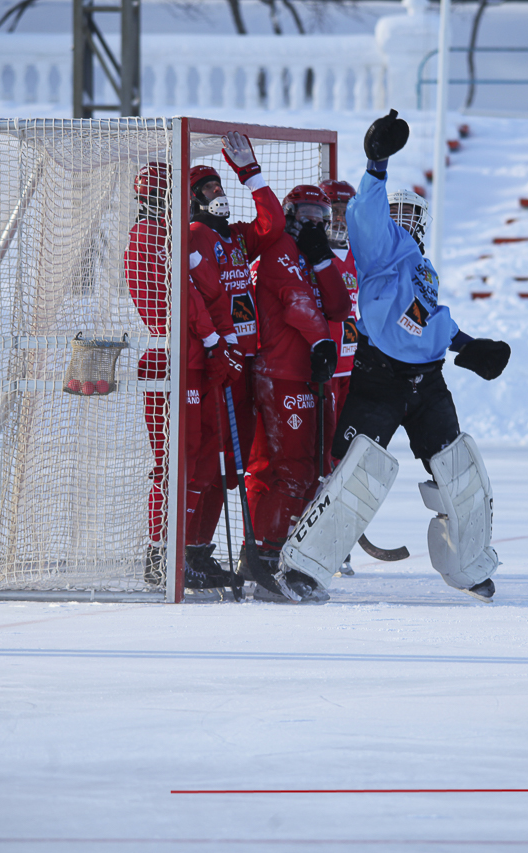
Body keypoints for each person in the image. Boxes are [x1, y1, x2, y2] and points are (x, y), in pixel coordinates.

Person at [276, 110, 512, 605]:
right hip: (379, 377)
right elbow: (366, 216)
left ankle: (468, 565)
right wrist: (375, 165)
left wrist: (469, 347)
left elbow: (432, 319)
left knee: (457, 469)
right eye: (395, 213)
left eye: (410, 216)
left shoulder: (422, 268)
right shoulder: (383, 246)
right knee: (357, 474)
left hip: (428, 383)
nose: (402, 221)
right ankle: (305, 566)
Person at [125, 162, 242, 591]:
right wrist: (213, 339)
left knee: (201, 459)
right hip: (173, 358)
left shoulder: (170, 235)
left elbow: (206, 291)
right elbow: (184, 298)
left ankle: (185, 550)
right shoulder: (151, 237)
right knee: (177, 461)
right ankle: (161, 553)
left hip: (191, 356)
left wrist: (218, 340)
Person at [184, 132, 290, 593]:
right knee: (207, 463)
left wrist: (251, 175)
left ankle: (206, 550)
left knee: (232, 467)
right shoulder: (194, 236)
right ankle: (187, 550)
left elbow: (275, 225)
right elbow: (197, 298)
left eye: (219, 186)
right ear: (191, 200)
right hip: (216, 366)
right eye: (208, 188)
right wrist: (217, 343)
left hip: (246, 366)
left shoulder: (237, 238)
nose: (218, 194)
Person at [240, 184, 351, 602]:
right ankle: (265, 557)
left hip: (305, 373)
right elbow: (297, 302)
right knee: (294, 470)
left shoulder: (312, 253)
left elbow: (339, 306)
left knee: (306, 468)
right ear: (288, 212)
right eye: (306, 212)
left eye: (322, 215)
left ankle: (276, 554)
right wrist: (322, 342)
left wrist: (322, 259)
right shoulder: (280, 249)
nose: (315, 222)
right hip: (281, 372)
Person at [318, 178, 362, 578]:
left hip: (353, 369)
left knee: (347, 457)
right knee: (321, 456)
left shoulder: (360, 254)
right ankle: (320, 536)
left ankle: (340, 537)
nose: (339, 218)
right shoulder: (310, 254)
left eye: (345, 209)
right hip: (322, 371)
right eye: (333, 208)